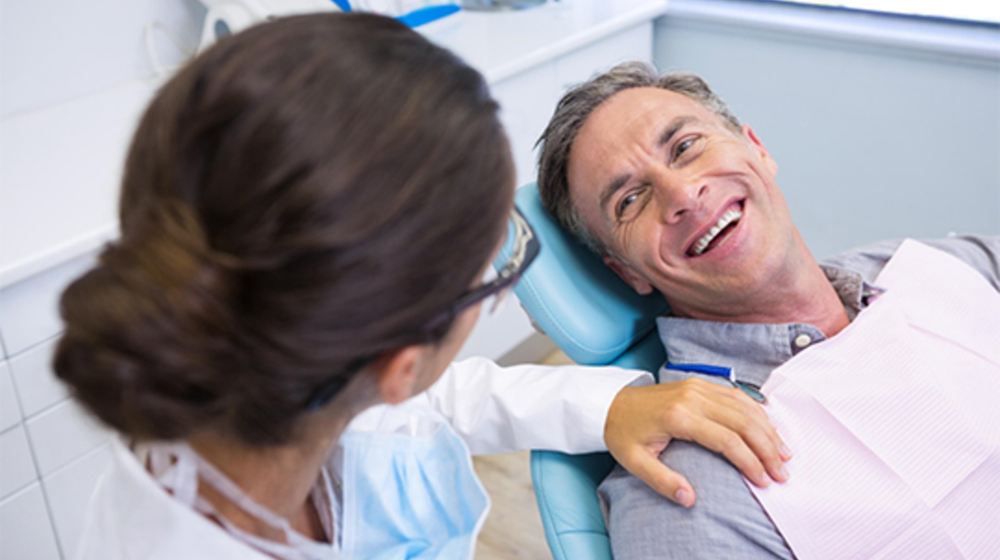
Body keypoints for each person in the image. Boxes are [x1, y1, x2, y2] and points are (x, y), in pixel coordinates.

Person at [53, 15, 792, 560]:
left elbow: (449, 403)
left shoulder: (280, 383)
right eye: (497, 266)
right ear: (397, 364)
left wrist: (611, 402)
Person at [536, 61, 1000, 559]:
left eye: (686, 147)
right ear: (629, 273)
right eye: (630, 200)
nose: (682, 195)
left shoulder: (926, 265)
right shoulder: (688, 494)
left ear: (757, 148)